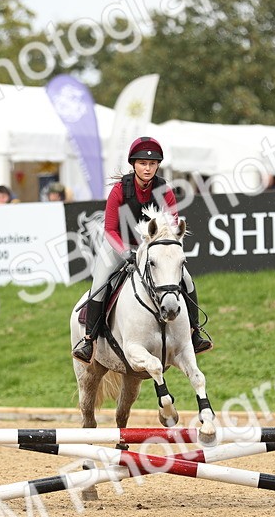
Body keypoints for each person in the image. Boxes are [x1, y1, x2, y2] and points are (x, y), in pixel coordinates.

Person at [72, 136, 212, 363]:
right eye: (142, 163)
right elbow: (110, 229)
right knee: (100, 284)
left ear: (157, 166)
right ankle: (89, 340)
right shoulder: (119, 190)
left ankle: (195, 333)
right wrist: (125, 252)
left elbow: (173, 223)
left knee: (185, 279)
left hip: (152, 249)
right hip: (119, 245)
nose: (147, 168)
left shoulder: (164, 190)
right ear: (134, 165)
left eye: (152, 164)